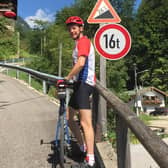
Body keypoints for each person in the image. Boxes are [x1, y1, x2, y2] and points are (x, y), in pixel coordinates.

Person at [65, 16, 96, 168]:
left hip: (85, 84)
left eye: (75, 27)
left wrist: (67, 78)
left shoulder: (83, 41)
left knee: (85, 123)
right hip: (78, 84)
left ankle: (90, 159)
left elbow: (81, 63)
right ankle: (83, 147)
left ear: (81, 28)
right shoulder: (77, 44)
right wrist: (71, 80)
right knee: (69, 117)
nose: (72, 30)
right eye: (70, 28)